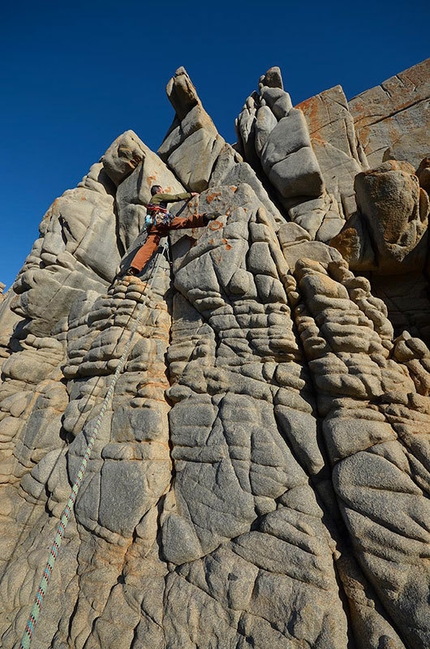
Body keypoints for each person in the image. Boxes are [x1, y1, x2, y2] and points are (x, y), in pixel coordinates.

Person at [125, 185, 218, 275]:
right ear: (158, 191)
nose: (163, 192)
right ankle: (204, 218)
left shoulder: (151, 203)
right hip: (163, 219)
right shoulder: (159, 196)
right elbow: (175, 197)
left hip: (153, 226)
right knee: (184, 222)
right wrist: (190, 194)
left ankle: (134, 268)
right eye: (162, 190)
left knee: (148, 246)